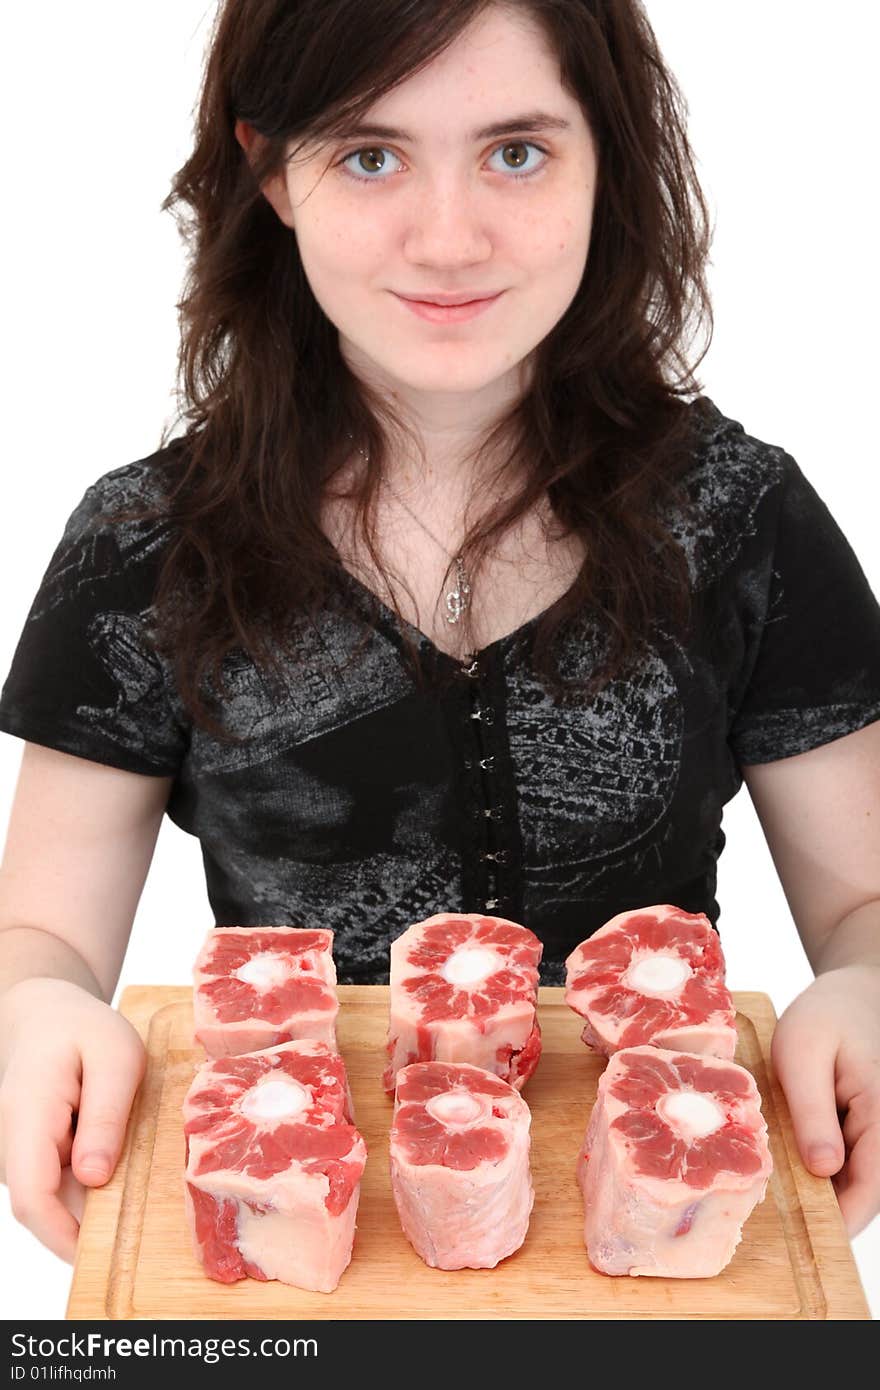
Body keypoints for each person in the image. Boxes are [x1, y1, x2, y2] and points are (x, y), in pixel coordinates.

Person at [1, 0, 879, 1278]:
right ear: (272, 170)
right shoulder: (147, 542)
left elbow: (862, 898)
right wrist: (34, 1010)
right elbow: (49, 938)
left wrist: (863, 987)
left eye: (516, 152)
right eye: (370, 154)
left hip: (653, 1233)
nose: (450, 237)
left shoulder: (740, 516)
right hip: (304, 1235)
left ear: (605, 163)